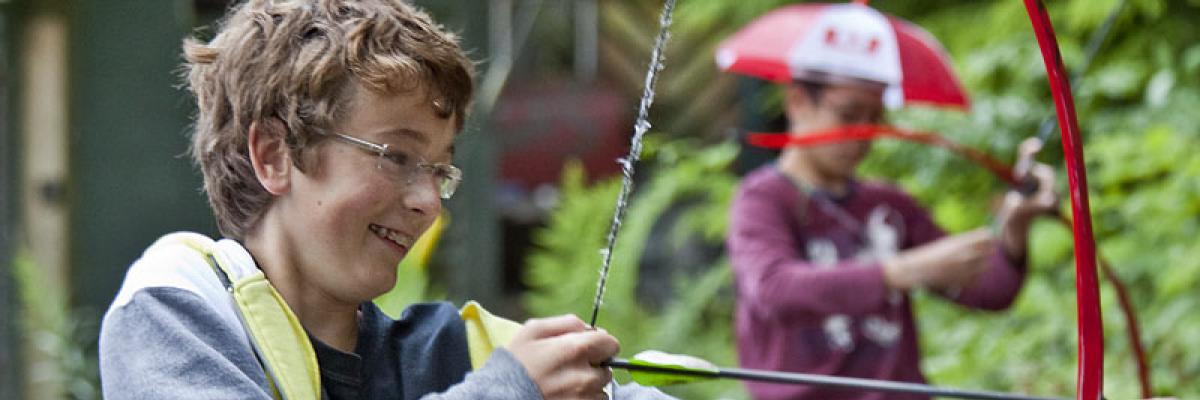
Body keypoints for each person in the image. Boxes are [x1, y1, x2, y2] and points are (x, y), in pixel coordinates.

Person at [98, 1, 672, 399]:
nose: (429, 202)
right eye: (396, 156)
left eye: (440, 170)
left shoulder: (445, 354)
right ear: (274, 155)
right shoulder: (177, 304)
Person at [725, 72, 1058, 399]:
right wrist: (902, 271)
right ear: (797, 102)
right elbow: (774, 289)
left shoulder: (890, 204)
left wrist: (1016, 223)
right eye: (848, 114)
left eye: (875, 119)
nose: (862, 134)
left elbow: (991, 289)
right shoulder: (761, 199)